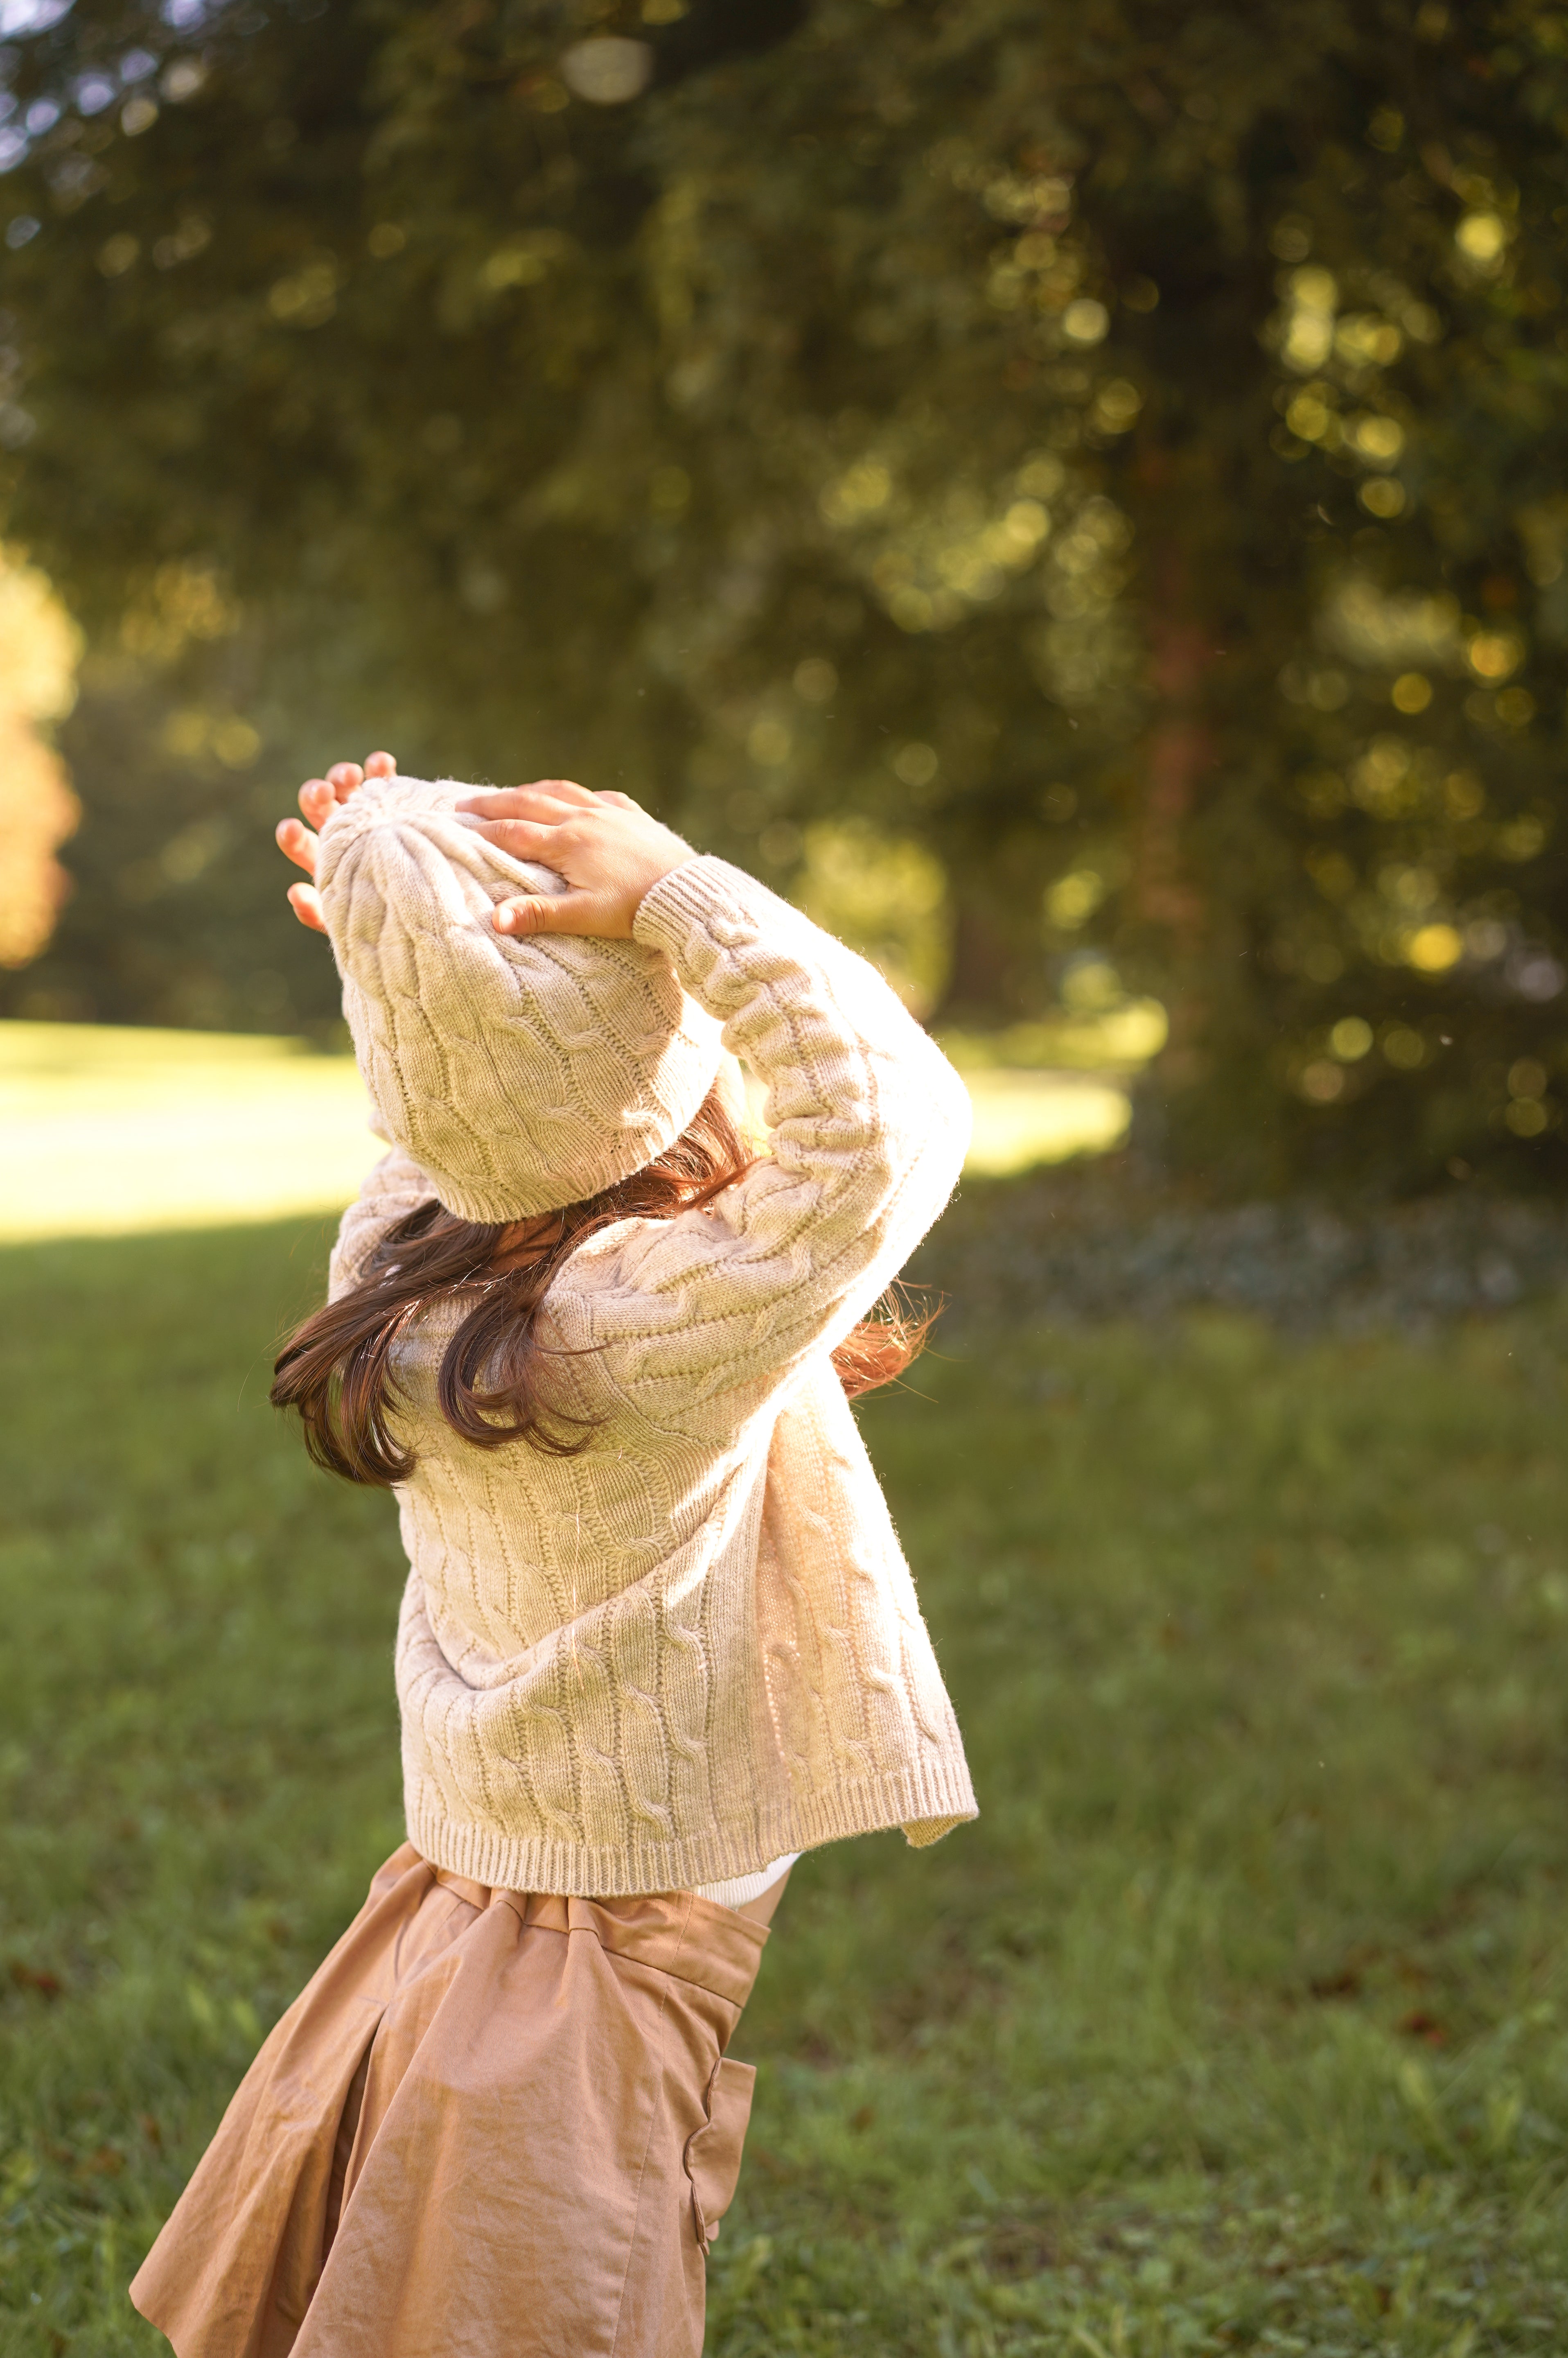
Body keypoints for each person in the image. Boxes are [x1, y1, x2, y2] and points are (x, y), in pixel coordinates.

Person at [131, 753, 977, 2358]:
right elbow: (896, 1117)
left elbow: (469, 1106)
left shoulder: (396, 1265)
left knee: (425, 2243)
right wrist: (677, 889)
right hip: (634, 1882)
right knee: (551, 2289)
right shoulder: (654, 1317)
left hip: (489, 1839)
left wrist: (413, 936)